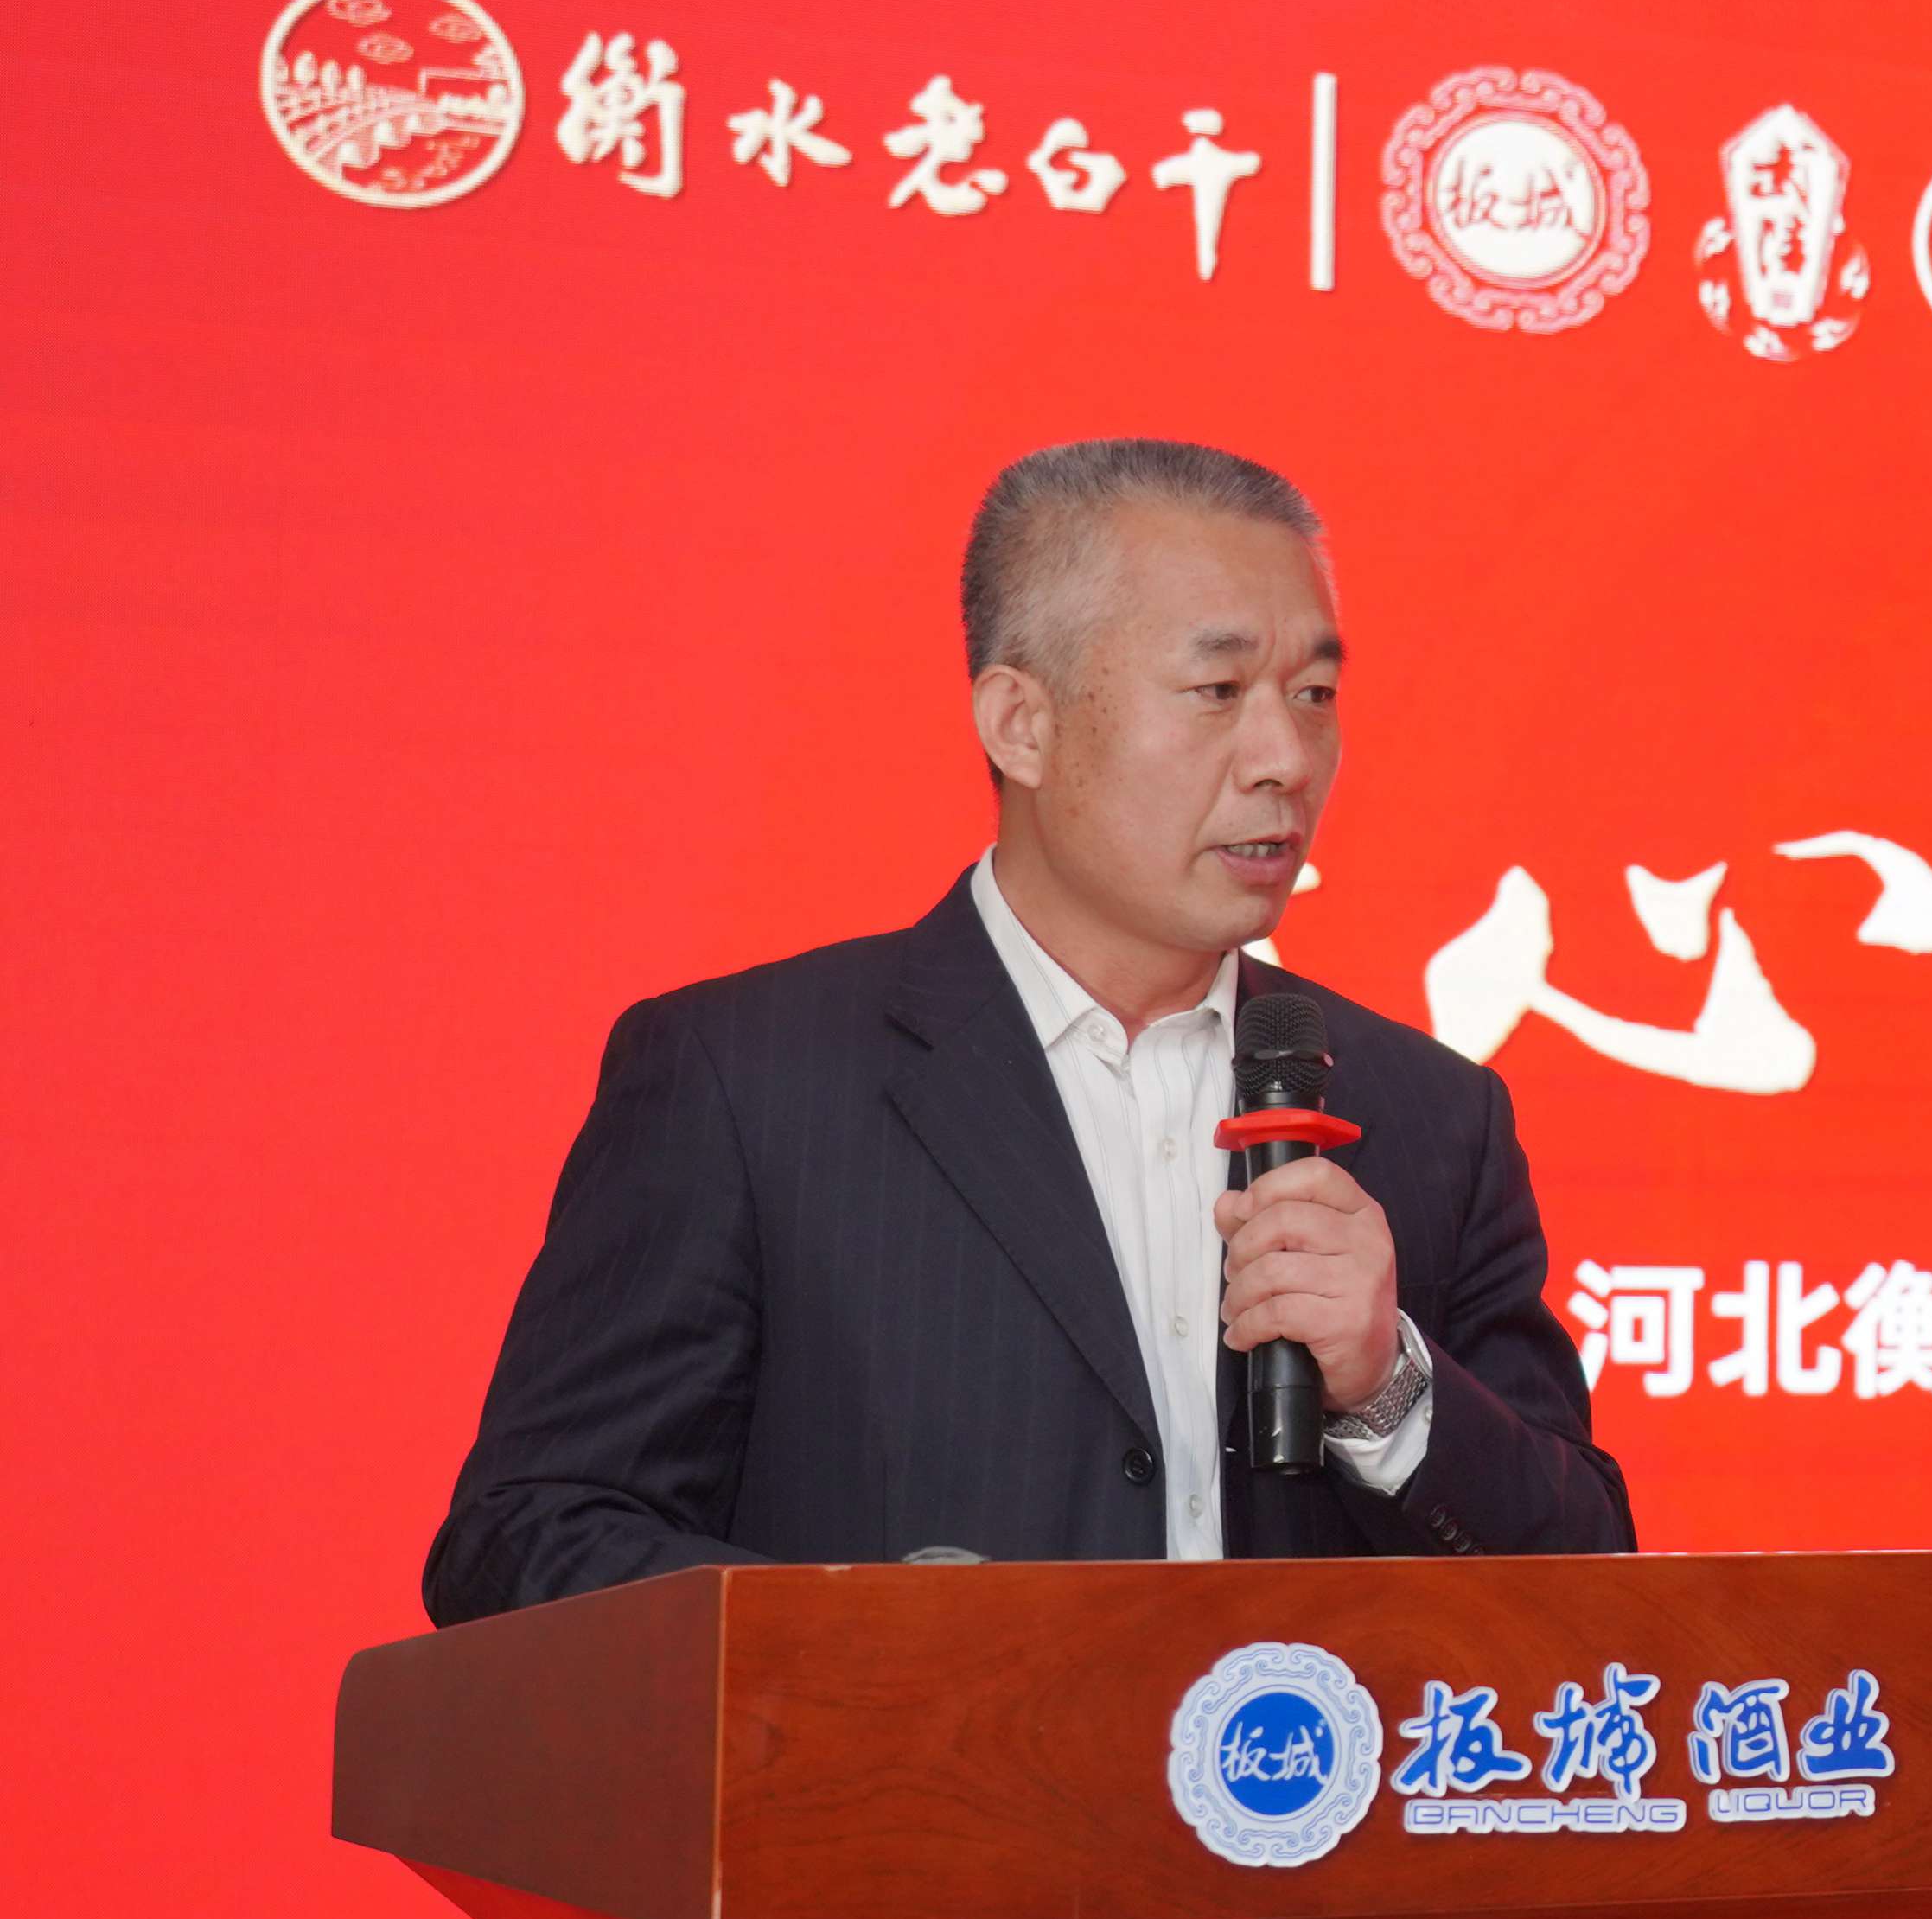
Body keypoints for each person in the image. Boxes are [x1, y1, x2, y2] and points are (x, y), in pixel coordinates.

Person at [424, 439, 1631, 1619]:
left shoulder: (1431, 1114)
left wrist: (1387, 1389)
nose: (1285, 759)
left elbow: (1598, 1590)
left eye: (1313, 695)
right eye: (1217, 692)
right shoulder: (746, 1083)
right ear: (1022, 724)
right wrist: (874, 1654)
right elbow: (527, 1535)